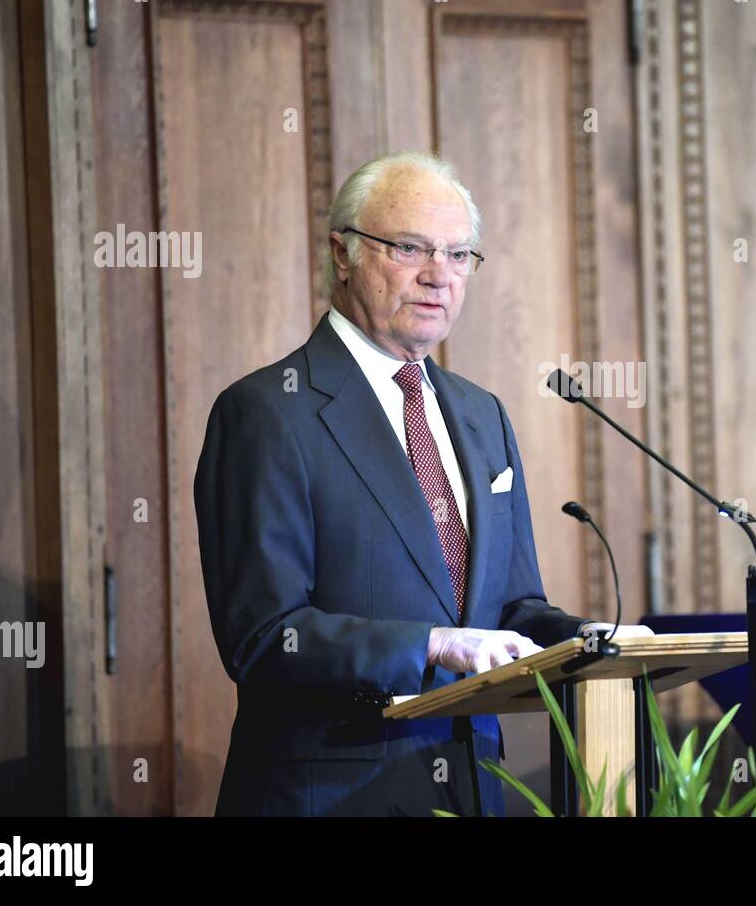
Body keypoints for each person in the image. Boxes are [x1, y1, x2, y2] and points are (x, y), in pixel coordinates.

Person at [194, 150, 651, 816]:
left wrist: (591, 641)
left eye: (460, 255)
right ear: (342, 253)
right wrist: (434, 645)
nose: (440, 276)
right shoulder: (268, 412)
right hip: (332, 796)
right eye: (410, 248)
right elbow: (264, 638)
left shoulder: (481, 414)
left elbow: (512, 610)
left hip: (471, 789)